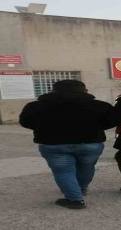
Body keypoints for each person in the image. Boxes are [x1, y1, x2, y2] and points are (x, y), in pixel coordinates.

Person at [19, 80, 115, 209]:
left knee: (63, 171)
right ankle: (79, 189)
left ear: (53, 91)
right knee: (87, 167)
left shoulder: (35, 106)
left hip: (53, 144)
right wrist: (96, 128)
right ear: (85, 91)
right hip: (90, 142)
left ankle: (74, 199)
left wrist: (43, 129)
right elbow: (112, 120)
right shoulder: (100, 105)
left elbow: (25, 122)